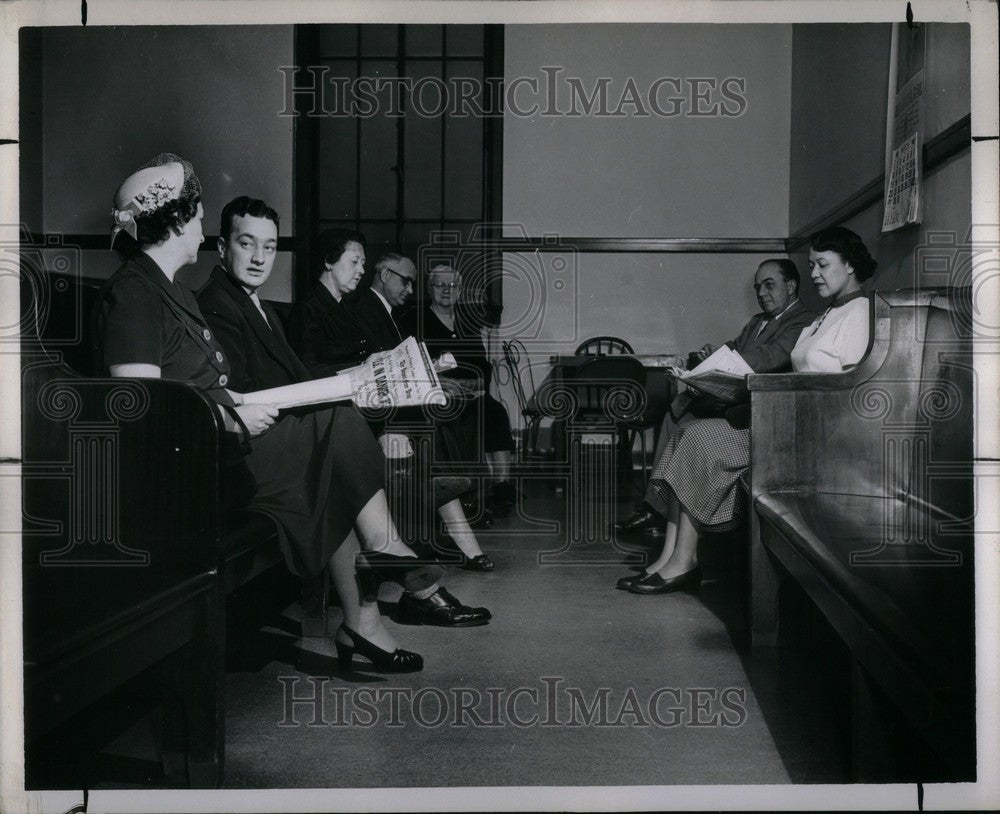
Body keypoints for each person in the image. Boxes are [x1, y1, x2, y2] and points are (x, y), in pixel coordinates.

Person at [92, 159, 479, 681]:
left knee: (338, 430)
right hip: (198, 465)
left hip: (223, 443)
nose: (203, 229)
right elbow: (145, 409)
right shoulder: (135, 291)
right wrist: (231, 416)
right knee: (337, 437)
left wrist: (239, 405)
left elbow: (207, 385)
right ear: (178, 222)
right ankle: (382, 562)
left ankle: (382, 565)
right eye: (200, 217)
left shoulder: (172, 290)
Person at [195, 196, 492, 625]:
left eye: (271, 247)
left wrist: (362, 371)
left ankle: (387, 588)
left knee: (360, 431)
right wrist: (351, 378)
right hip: (253, 444)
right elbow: (248, 394)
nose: (260, 258)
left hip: (288, 430)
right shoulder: (219, 304)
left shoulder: (252, 303)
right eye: (246, 244)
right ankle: (398, 565)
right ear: (222, 247)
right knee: (346, 434)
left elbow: (295, 375)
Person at [617, 227, 876, 594]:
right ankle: (668, 556)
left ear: (849, 265)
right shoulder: (826, 314)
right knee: (688, 431)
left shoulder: (859, 314)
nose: (814, 273)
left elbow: (846, 393)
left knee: (701, 439)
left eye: (822, 264)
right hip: (785, 421)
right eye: (812, 264)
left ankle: (684, 561)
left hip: (812, 438)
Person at [615, 259, 815, 534]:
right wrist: (715, 353)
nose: (761, 293)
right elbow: (736, 346)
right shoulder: (758, 321)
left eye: (770, 285)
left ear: (791, 286)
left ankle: (660, 510)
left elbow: (770, 356)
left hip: (759, 408)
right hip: (738, 397)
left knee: (688, 418)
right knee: (678, 404)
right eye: (758, 287)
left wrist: (720, 366)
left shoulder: (802, 321)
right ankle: (656, 505)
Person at [350, 252, 496, 570]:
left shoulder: (386, 311)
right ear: (385, 274)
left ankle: (460, 519)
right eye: (406, 281)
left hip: (397, 400)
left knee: (462, 410)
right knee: (437, 419)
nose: (410, 290)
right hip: (374, 408)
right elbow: (370, 368)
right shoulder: (367, 310)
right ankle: (461, 531)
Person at [399, 263, 517, 517]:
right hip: (436, 393)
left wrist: (475, 385)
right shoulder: (416, 319)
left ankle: (502, 485)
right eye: (440, 285)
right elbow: (413, 364)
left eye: (452, 285)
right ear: (430, 289)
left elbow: (483, 363)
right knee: (454, 418)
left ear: (460, 290)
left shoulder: (467, 322)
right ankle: (463, 493)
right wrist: (446, 385)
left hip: (471, 392)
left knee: (495, 411)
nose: (446, 290)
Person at [287, 228, 371, 377]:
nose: (362, 270)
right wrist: (363, 366)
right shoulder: (307, 308)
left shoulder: (347, 306)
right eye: (354, 261)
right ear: (328, 262)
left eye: (362, 263)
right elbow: (307, 370)